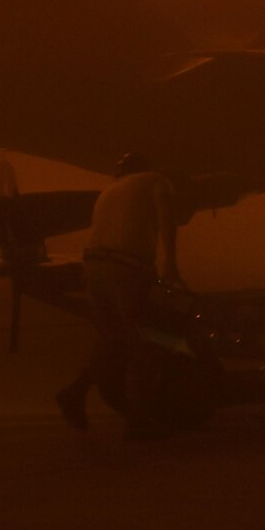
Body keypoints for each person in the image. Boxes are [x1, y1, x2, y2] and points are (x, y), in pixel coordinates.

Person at [56, 152, 182, 439]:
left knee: (111, 338)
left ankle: (74, 393)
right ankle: (138, 418)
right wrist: (171, 261)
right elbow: (166, 214)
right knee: (142, 337)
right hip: (126, 266)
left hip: (94, 266)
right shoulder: (156, 181)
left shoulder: (108, 192)